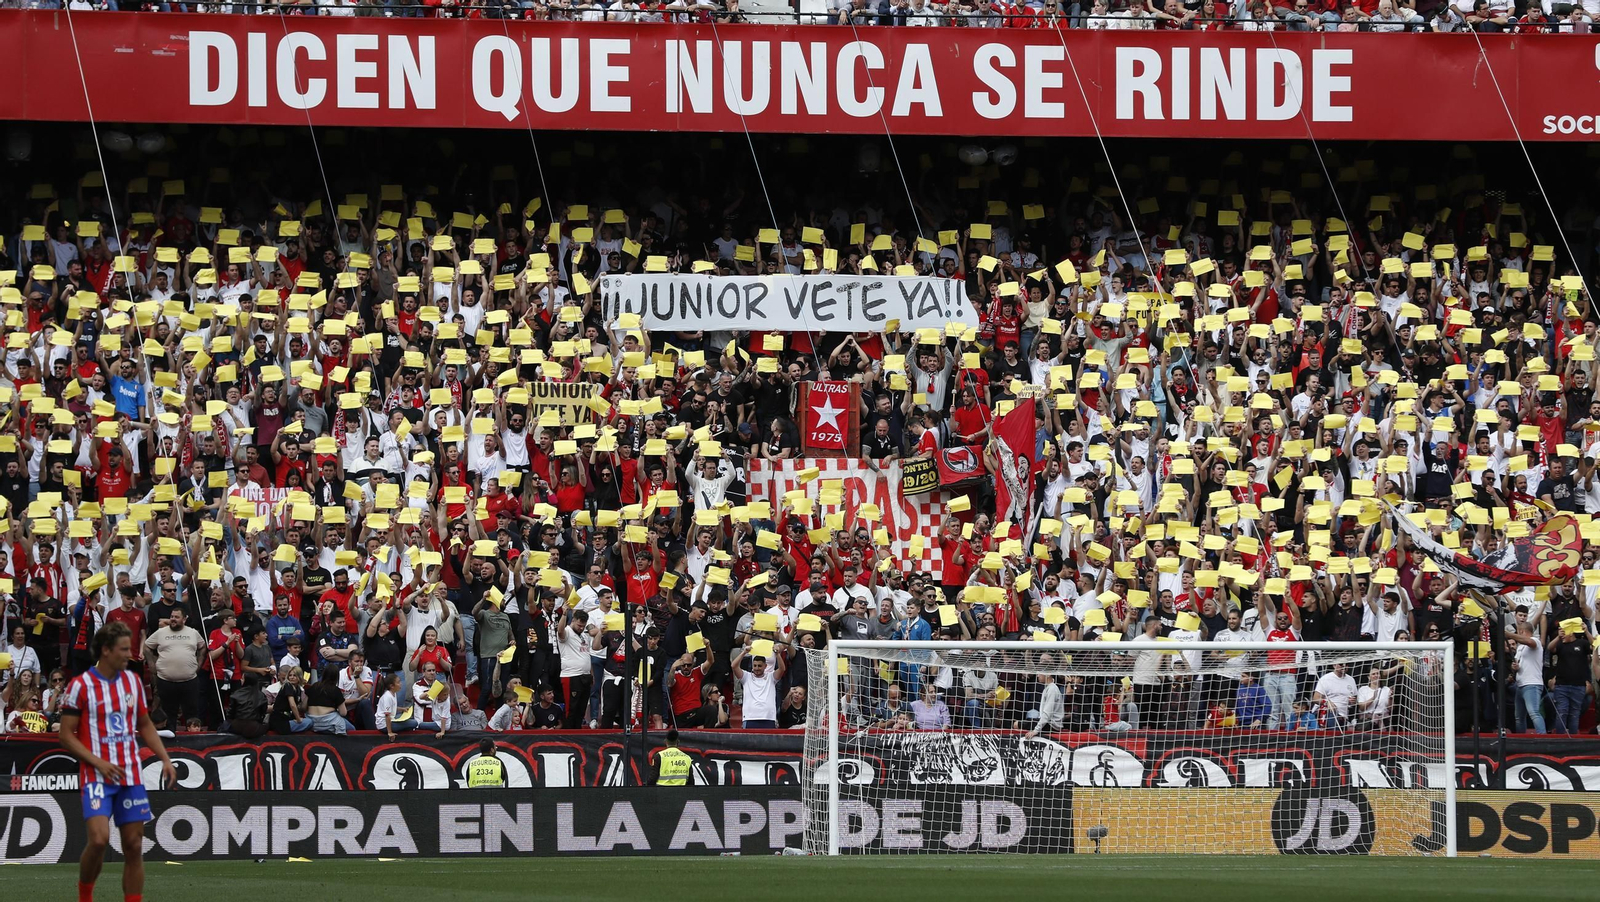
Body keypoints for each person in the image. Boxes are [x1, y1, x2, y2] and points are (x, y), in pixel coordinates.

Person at [57, 621, 176, 902]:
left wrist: (165, 759)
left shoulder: (132, 681)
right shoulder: (80, 685)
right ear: (107, 650)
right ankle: (85, 896)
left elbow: (145, 724)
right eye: (124, 649)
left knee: (134, 845)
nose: (129, 654)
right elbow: (65, 735)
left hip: (130, 774)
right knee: (98, 840)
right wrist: (97, 762)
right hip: (97, 774)